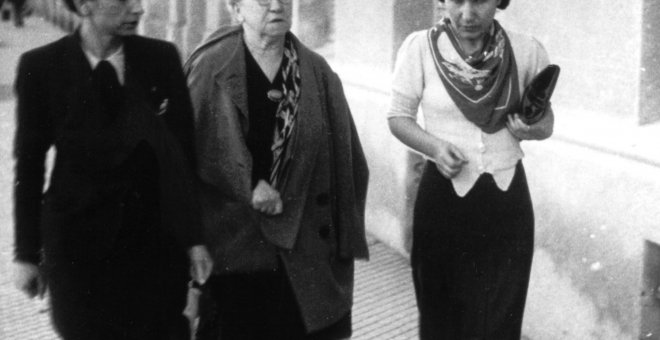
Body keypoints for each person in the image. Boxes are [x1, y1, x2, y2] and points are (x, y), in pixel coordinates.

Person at [12, 0, 213, 339]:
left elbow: (181, 158)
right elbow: (29, 168)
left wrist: (194, 240)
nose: (138, 9)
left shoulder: (161, 58)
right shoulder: (42, 67)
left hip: (153, 248)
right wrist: (26, 254)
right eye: (123, 1)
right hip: (78, 252)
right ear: (85, 4)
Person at [184, 0, 369, 339]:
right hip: (234, 251)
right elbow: (184, 156)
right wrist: (247, 184)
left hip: (305, 253)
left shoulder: (318, 71)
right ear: (236, 9)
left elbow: (350, 164)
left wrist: (341, 251)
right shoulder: (210, 67)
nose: (276, 5)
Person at [387, 0, 554, 339]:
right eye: (457, 1)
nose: (467, 13)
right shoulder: (420, 48)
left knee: (499, 322)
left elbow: (546, 121)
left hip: (506, 205)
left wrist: (530, 129)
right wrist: (434, 147)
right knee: (441, 318)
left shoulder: (526, 50)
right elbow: (398, 118)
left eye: (479, 1)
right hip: (442, 202)